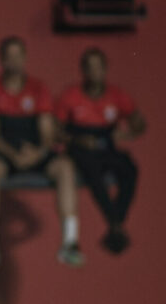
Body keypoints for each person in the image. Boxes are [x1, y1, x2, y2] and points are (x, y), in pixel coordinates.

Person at [0, 36, 84, 270]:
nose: (14, 61)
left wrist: (37, 153)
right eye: (10, 56)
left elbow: (47, 133)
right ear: (2, 60)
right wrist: (13, 155)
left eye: (19, 55)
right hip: (4, 153)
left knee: (65, 167)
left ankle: (70, 243)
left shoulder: (39, 89)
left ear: (25, 58)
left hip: (35, 152)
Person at [56, 48, 145, 254]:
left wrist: (128, 134)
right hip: (81, 147)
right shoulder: (70, 96)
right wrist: (77, 140)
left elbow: (139, 123)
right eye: (90, 68)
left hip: (106, 145)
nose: (95, 72)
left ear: (105, 69)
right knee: (93, 172)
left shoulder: (117, 95)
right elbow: (56, 131)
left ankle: (116, 223)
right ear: (83, 71)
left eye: (99, 67)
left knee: (130, 169)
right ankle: (115, 223)